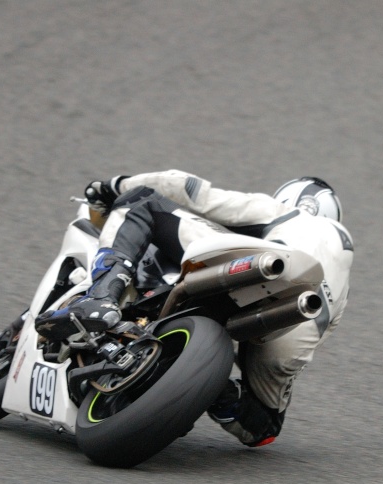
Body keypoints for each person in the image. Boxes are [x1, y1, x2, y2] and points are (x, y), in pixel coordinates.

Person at [35, 170, 354, 447]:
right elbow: (318, 338)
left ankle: (102, 297)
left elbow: (186, 187)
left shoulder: (286, 213)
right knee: (261, 427)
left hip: (262, 266)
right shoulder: (343, 280)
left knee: (143, 200)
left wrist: (112, 186)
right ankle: (215, 391)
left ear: (292, 198)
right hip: (297, 321)